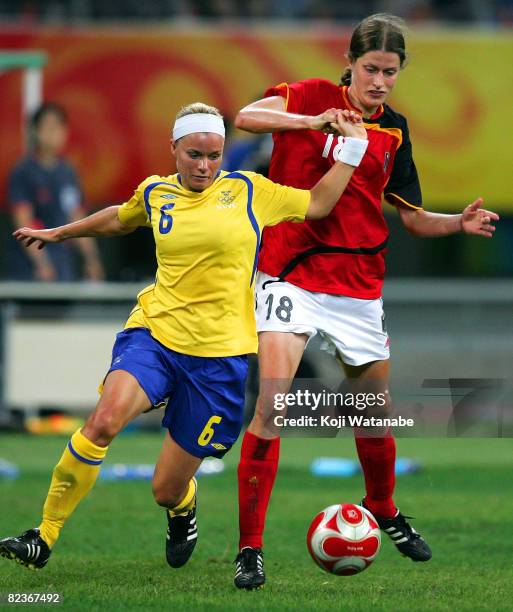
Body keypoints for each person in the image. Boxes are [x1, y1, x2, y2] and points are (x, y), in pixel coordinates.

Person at [0, 102, 369, 571]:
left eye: (214, 156)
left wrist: (352, 151)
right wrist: (60, 234)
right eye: (195, 154)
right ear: (174, 149)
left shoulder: (249, 191)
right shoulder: (156, 193)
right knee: (104, 421)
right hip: (156, 334)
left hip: (219, 359)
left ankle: (182, 507)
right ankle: (43, 536)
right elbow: (120, 217)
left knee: (164, 488)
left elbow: (316, 203)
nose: (205, 166)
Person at [232, 13, 499, 589]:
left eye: (391, 72)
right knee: (272, 408)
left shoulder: (393, 132)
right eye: (371, 69)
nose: (379, 81)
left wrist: (458, 222)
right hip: (290, 272)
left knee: (371, 417)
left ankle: (382, 507)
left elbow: (413, 218)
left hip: (357, 285)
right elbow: (246, 117)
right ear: (350, 63)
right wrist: (311, 119)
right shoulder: (309, 95)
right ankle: (249, 548)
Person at [6, 102, 104, 282]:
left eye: (59, 126)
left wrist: (92, 259)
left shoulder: (68, 172)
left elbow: (78, 217)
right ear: (35, 131)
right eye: (48, 126)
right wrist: (41, 264)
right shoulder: (23, 172)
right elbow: (23, 221)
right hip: (30, 269)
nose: (54, 132)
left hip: (63, 264)